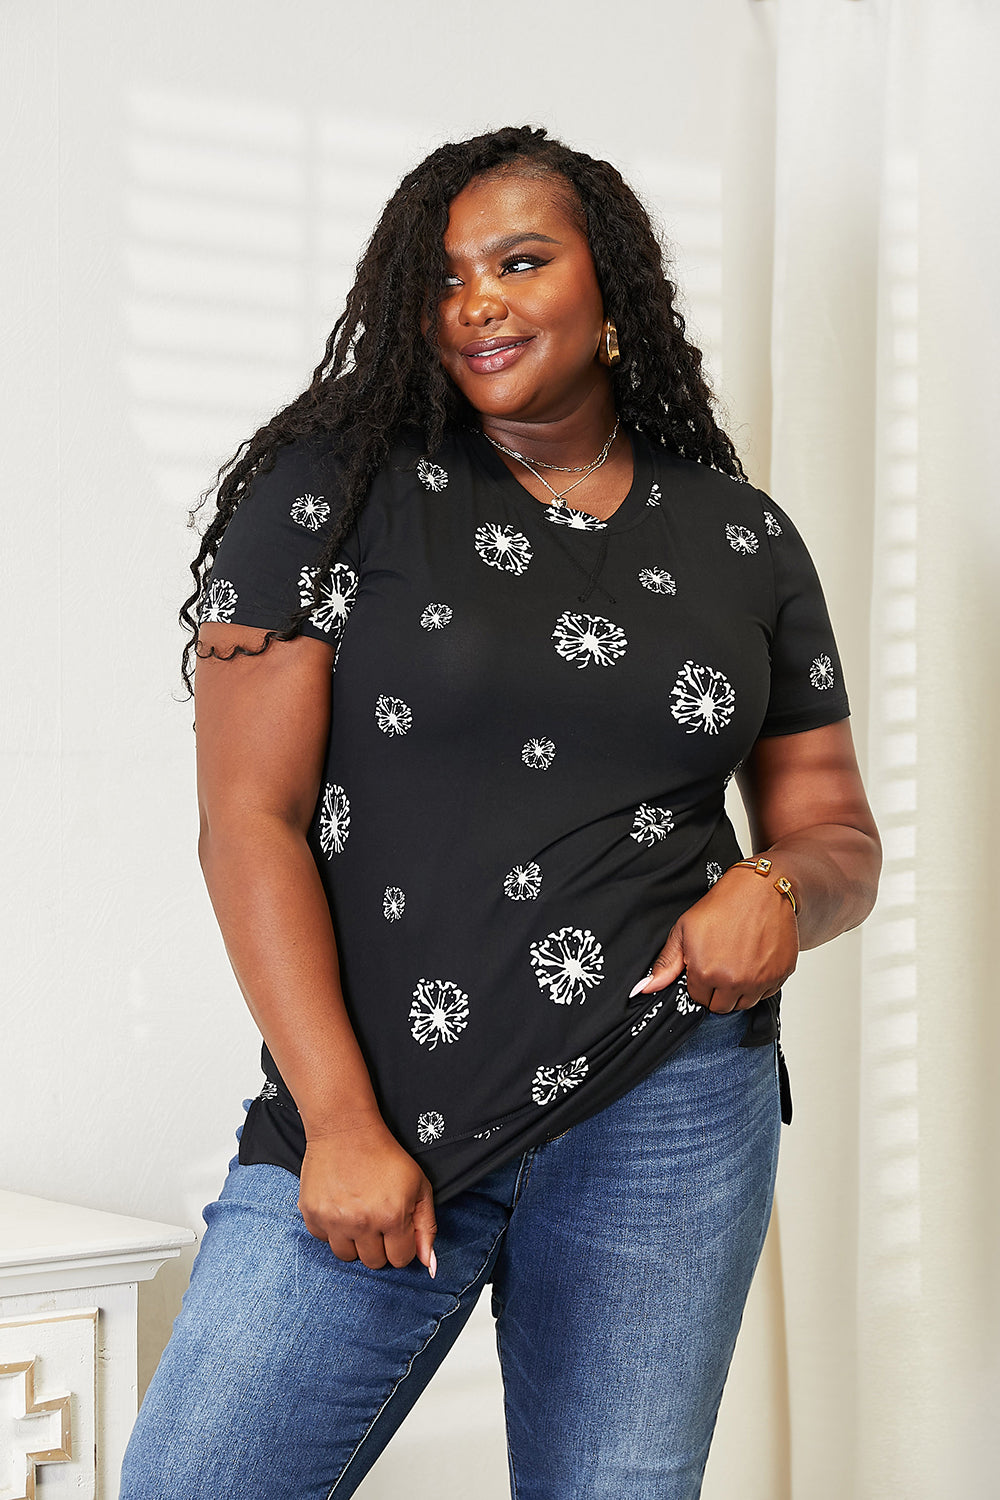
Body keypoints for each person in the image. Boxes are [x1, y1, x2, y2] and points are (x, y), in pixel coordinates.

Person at [119, 124, 881, 1500]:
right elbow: (248, 822)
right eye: (447, 277)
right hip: (382, 1099)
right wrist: (340, 1123)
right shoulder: (329, 498)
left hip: (670, 1100)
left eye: (521, 262)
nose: (477, 301)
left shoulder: (740, 536)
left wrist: (777, 892)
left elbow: (833, 828)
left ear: (612, 294)